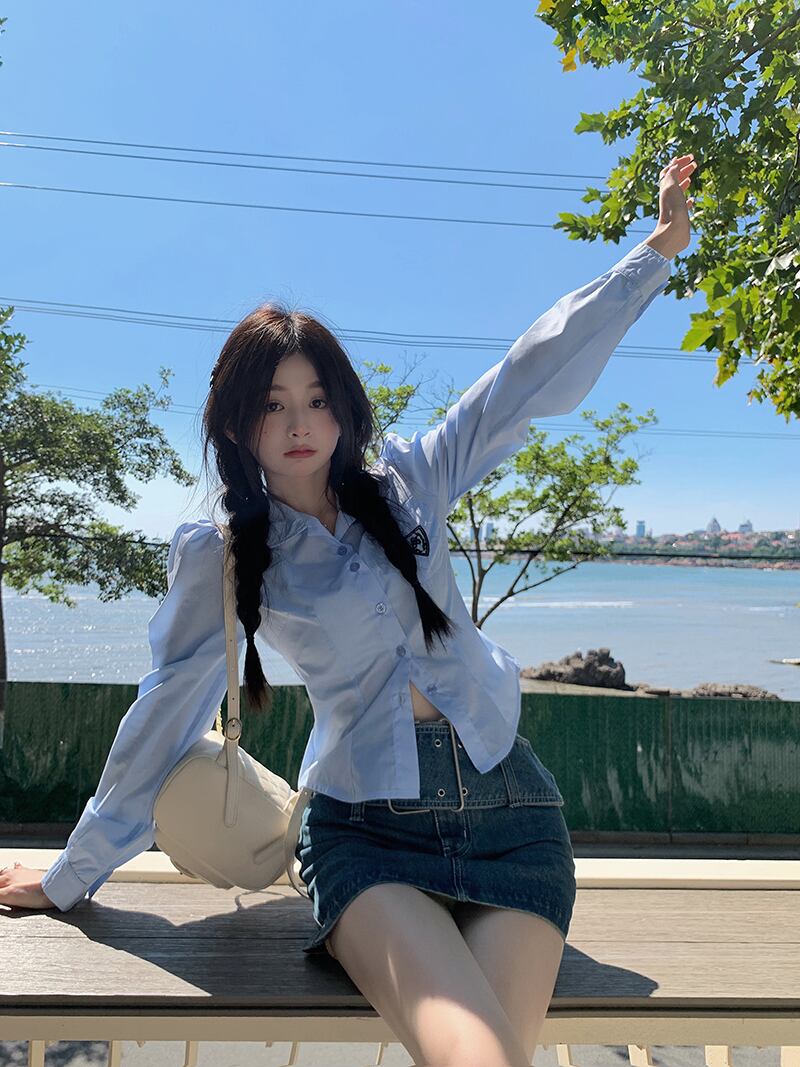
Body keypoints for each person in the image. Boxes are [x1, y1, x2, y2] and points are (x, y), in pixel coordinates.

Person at [1, 155, 697, 1067]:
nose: (300, 422)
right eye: (273, 404)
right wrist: (70, 873)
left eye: (317, 398)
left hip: (513, 816)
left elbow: (524, 379)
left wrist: (656, 251)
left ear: (343, 406)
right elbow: (168, 705)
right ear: (236, 421)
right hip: (369, 834)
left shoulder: (411, 479)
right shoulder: (226, 551)